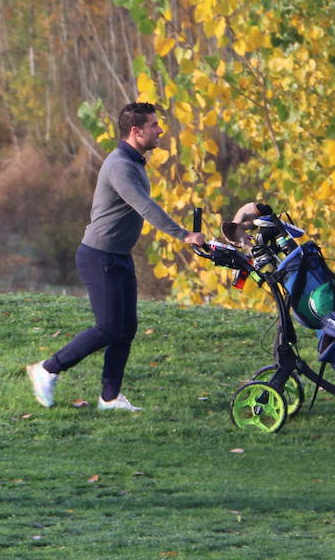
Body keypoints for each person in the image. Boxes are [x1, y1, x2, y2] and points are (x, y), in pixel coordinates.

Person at [27, 103, 207, 410]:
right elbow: (145, 207)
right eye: (153, 125)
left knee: (126, 328)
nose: (160, 130)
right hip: (99, 257)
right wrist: (184, 235)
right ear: (136, 132)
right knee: (110, 328)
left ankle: (109, 398)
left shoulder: (134, 161)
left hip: (118, 256)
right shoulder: (120, 165)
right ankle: (47, 368)